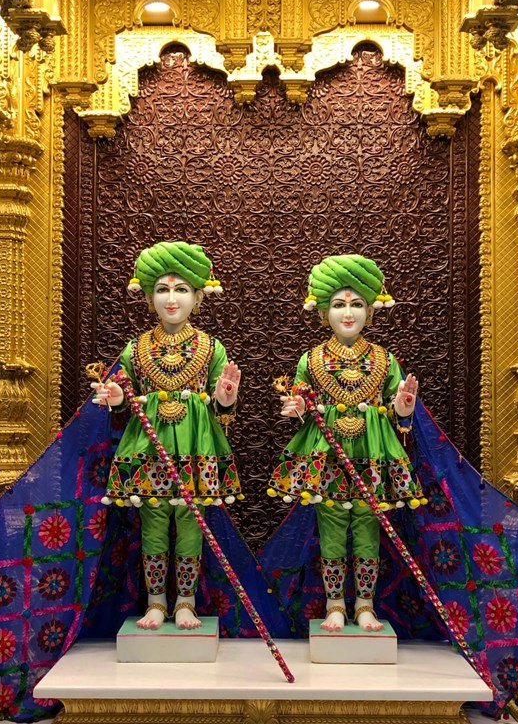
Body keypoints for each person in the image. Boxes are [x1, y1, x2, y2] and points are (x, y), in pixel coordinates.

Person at [269, 253, 423, 633]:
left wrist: (403, 407)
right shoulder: (311, 359)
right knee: (332, 528)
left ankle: (365, 605)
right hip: (327, 455)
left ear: (370, 311)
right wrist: (297, 407)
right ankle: (335, 603)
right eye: (339, 304)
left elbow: (399, 409)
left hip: (373, 454)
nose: (348, 312)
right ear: (324, 312)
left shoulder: (384, 360)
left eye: (356, 305)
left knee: (369, 528)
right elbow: (302, 398)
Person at [92, 241, 241, 631]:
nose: (171, 299)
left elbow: (222, 409)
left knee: (192, 523)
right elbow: (123, 396)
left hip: (196, 448)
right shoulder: (136, 349)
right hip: (147, 448)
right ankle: (157, 601)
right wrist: (118, 398)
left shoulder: (211, 348)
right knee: (153, 523)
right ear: (148, 297)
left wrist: (225, 398)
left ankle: (186, 602)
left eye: (181, 290)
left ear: (198, 297)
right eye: (162, 289)